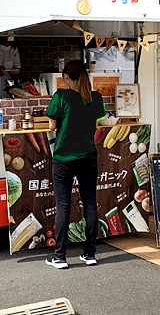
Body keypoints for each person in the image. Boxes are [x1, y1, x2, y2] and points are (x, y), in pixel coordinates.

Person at [45, 60, 105, 269]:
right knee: (90, 203)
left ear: (66, 77)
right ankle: (90, 254)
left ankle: (60, 257)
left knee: (63, 206)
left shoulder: (61, 96)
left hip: (64, 158)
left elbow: (51, 125)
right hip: (88, 156)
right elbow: (96, 123)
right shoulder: (95, 97)